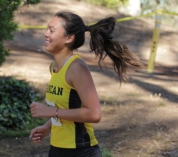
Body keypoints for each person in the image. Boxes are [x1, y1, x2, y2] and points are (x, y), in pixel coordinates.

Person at [29, 11, 141, 157]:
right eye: (46, 29)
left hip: (81, 151)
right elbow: (68, 107)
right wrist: (47, 127)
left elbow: (94, 114)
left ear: (69, 38)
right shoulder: (54, 67)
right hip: (57, 149)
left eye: (52, 30)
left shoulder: (77, 68)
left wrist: (51, 111)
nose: (46, 34)